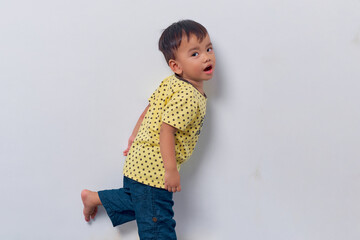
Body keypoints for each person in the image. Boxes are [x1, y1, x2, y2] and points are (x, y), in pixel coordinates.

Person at [81, 19, 216, 239]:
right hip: (155, 171)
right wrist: (170, 170)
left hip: (139, 161)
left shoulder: (172, 82)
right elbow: (167, 131)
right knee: (158, 224)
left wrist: (134, 136)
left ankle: (93, 198)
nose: (207, 56)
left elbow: (151, 108)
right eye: (195, 54)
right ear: (176, 66)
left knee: (141, 203)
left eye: (208, 49)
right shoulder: (189, 96)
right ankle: (94, 198)